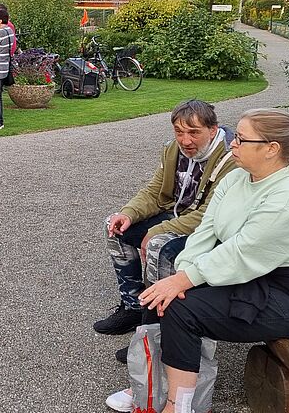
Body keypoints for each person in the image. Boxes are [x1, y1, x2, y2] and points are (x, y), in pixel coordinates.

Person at [106, 109, 289, 413]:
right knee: (161, 297)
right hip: (257, 278)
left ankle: (177, 406)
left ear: (271, 149)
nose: (232, 143)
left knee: (180, 308)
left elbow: (244, 252)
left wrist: (183, 281)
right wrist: (181, 275)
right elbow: (205, 233)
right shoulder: (238, 179)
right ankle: (149, 387)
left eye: (242, 139)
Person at [94, 100, 236, 351]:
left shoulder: (229, 159)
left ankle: (157, 332)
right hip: (175, 216)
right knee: (115, 227)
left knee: (159, 246)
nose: (185, 140)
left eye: (194, 133)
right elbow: (154, 191)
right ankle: (133, 307)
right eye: (179, 132)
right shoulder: (172, 149)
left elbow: (209, 215)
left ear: (213, 130)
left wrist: (157, 230)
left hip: (207, 230)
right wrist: (128, 213)